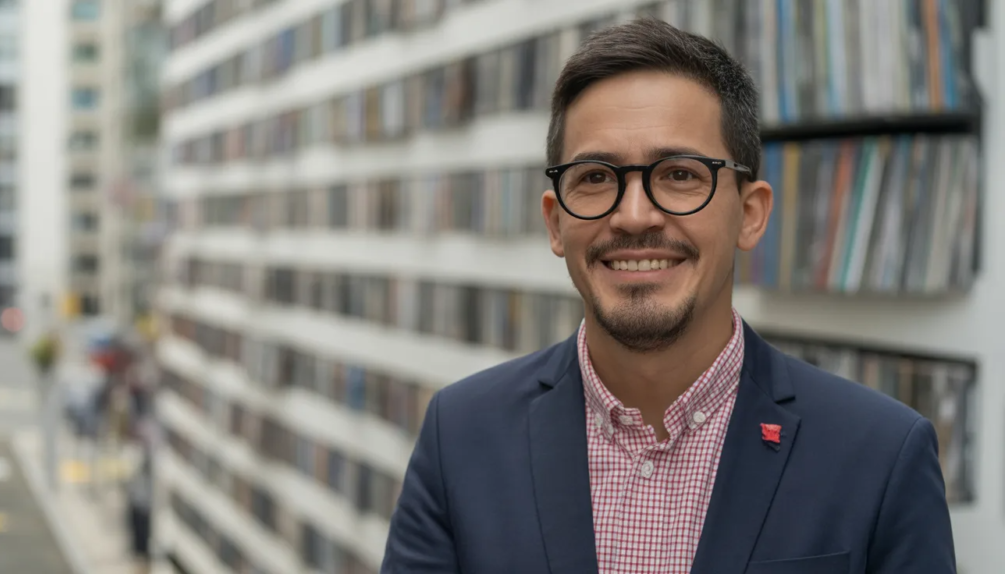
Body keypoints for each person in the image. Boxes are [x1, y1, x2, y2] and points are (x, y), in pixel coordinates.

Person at [381, 17, 956, 574]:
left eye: (680, 174)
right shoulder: (460, 436)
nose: (634, 216)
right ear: (555, 223)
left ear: (750, 214)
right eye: (596, 177)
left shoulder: (881, 454)